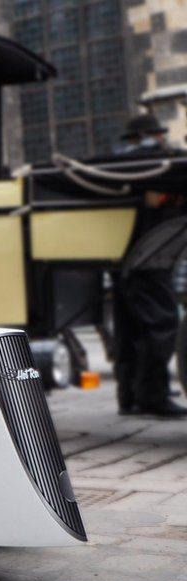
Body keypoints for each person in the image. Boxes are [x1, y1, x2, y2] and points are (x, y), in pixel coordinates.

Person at [113, 114, 186, 417]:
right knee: (160, 326)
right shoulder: (149, 163)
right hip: (148, 259)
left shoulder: (124, 166)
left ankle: (130, 397)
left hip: (125, 259)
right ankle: (152, 397)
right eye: (157, 135)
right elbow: (154, 201)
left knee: (130, 331)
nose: (162, 140)